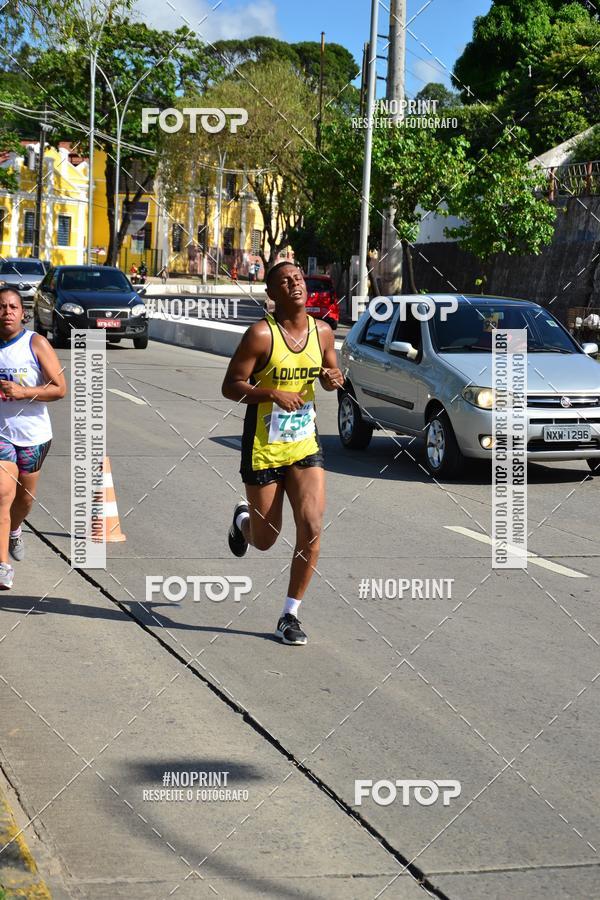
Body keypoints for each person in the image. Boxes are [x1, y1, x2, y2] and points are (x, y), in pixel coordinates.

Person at [222, 261, 344, 645]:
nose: (294, 284)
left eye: (298, 278)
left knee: (311, 525)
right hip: (264, 446)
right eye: (285, 281)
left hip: (305, 443)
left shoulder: (323, 332)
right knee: (265, 539)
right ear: (272, 294)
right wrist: (271, 393)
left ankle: (290, 614)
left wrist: (333, 379)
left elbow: (331, 377)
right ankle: (242, 521)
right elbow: (231, 385)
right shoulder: (261, 335)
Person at [0, 288, 66, 588]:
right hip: (2, 435)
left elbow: (59, 388)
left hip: (33, 435)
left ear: (22, 312)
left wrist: (23, 392)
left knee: (24, 499)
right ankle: (3, 565)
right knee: (3, 495)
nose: (7, 312)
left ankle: (15, 529)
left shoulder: (35, 343)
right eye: (2, 306)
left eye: (13, 307)